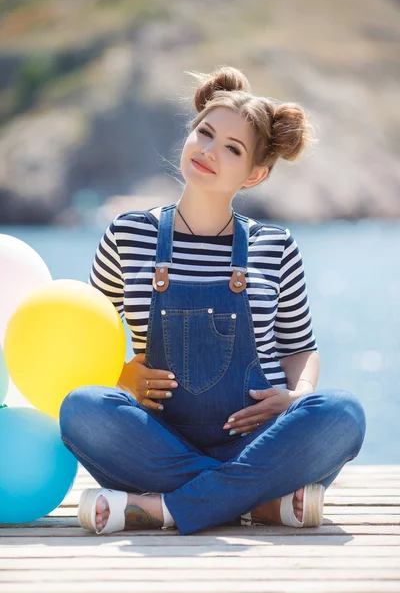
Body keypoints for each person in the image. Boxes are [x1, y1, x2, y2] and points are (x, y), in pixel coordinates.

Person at [59, 66, 366, 536]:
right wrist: (123, 373)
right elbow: (85, 340)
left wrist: (296, 395)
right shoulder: (127, 235)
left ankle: (164, 508)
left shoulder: (276, 245)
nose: (208, 151)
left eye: (232, 148)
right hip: (158, 441)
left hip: (259, 442)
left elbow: (300, 350)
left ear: (255, 174)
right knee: (81, 408)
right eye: (204, 133)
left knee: (342, 413)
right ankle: (256, 504)